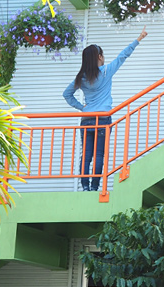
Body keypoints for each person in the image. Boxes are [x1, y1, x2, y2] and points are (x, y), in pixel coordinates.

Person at [63, 27, 148, 191]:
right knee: (99, 155)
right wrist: (138, 39)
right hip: (103, 118)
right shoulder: (106, 71)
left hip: (87, 119)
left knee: (86, 154)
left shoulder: (81, 77)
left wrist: (82, 107)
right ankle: (95, 187)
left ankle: (85, 187)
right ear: (99, 57)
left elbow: (67, 94)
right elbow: (123, 56)